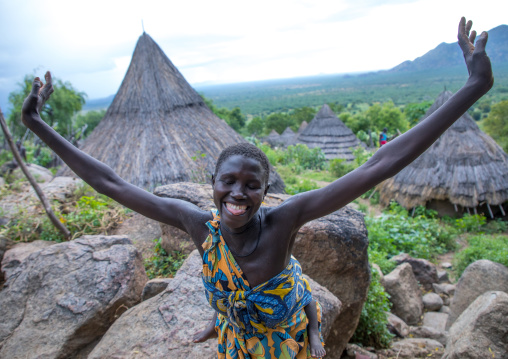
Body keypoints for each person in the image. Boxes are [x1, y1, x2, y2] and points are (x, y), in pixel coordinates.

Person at [20, 18, 493, 359]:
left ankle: (309, 320)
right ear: (213, 185)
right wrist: (35, 123)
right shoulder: (197, 224)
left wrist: (474, 86)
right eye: (229, 183)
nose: (238, 194)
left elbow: (380, 162)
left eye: (252, 185)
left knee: (293, 295)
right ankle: (225, 315)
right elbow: (109, 181)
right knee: (235, 308)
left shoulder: (285, 220)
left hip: (278, 334)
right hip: (236, 334)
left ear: (267, 191)